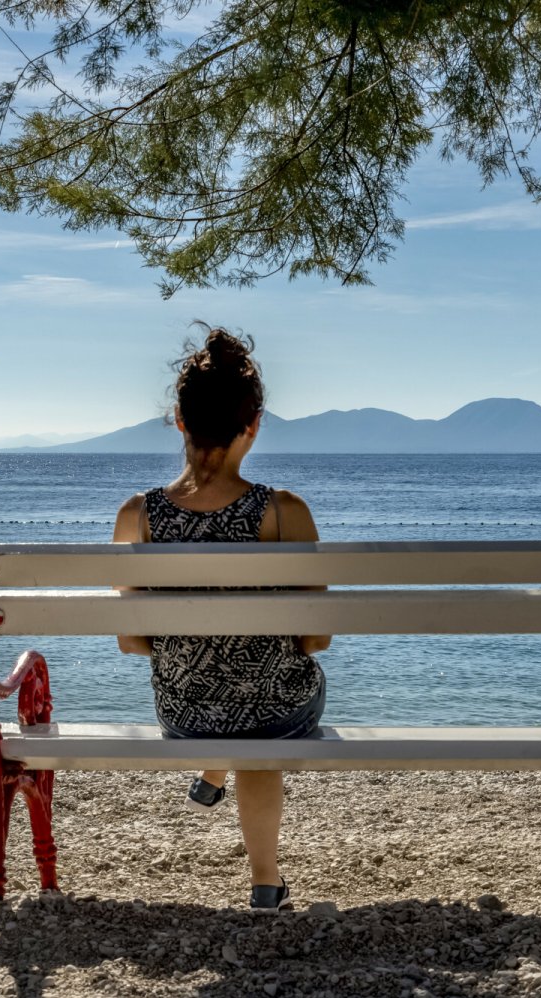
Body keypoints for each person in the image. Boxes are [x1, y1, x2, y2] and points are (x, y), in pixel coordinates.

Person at [113, 323, 330, 913]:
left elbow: (133, 641)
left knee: (216, 685)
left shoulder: (139, 515)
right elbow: (317, 636)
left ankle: (212, 776)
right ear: (253, 426)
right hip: (275, 714)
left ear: (179, 421)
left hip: (184, 714)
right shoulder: (285, 513)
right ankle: (265, 883)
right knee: (261, 719)